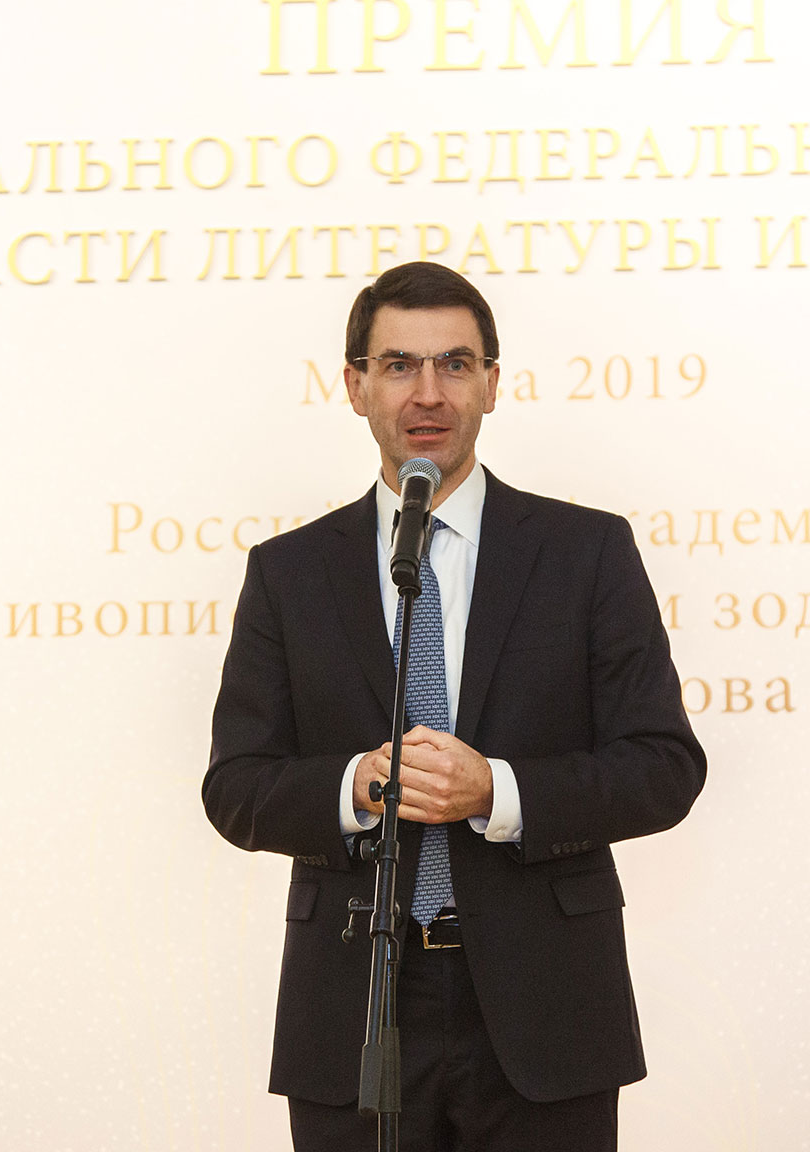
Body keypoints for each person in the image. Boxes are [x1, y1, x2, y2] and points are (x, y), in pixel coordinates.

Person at [203, 261, 705, 1151]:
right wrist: (359, 785)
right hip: (354, 1006)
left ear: (493, 385)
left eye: (455, 365)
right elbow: (237, 786)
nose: (428, 393)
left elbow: (662, 768)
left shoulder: (586, 552)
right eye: (399, 365)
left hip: (546, 1006)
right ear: (355, 385)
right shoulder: (289, 572)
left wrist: (496, 791)